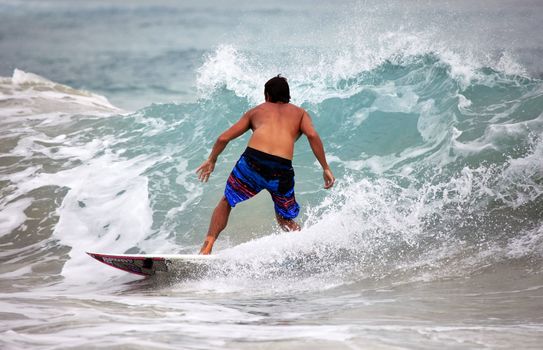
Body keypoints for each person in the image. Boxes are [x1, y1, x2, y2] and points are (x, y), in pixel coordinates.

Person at [196, 75, 335, 255]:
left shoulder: (256, 111)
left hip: (253, 162)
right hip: (281, 169)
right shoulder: (300, 113)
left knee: (226, 201)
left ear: (267, 95)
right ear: (288, 96)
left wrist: (212, 159)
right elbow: (313, 136)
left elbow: (224, 137)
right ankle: (309, 251)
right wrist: (325, 167)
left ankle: (207, 247)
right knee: (284, 219)